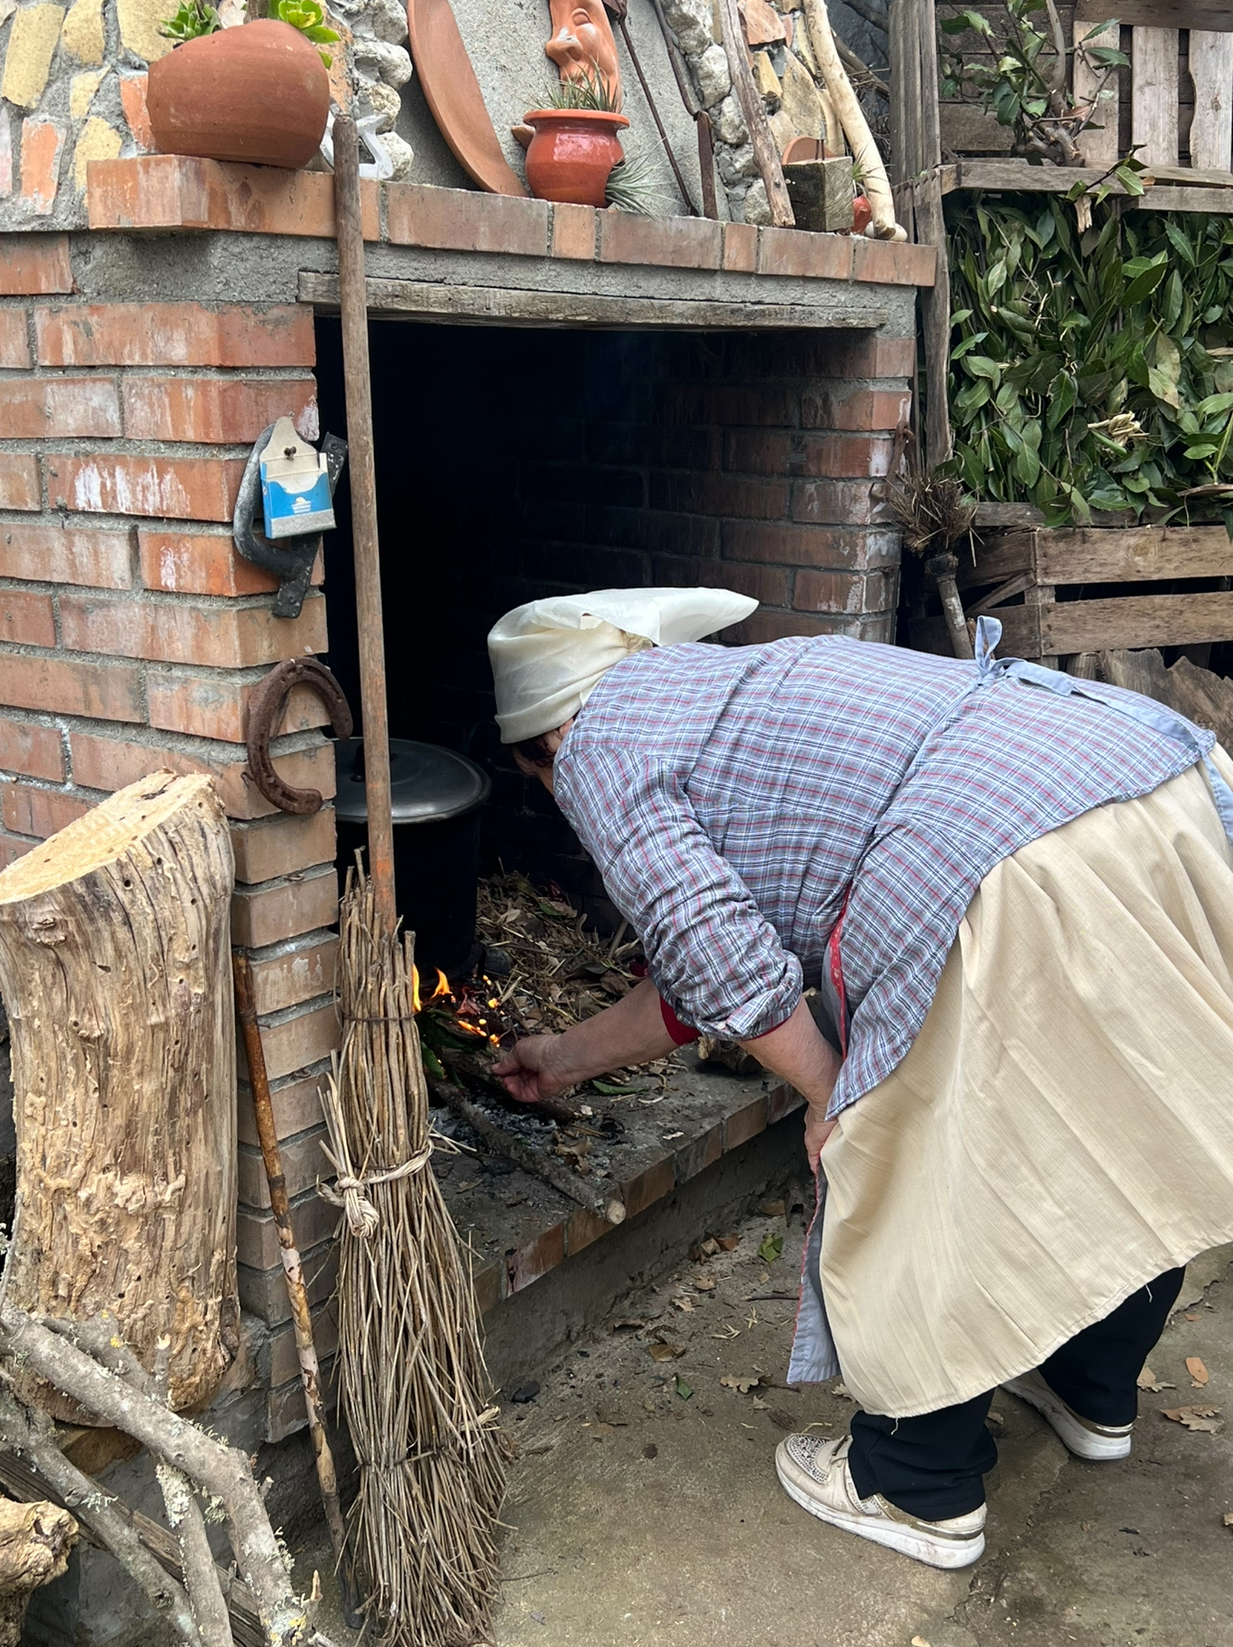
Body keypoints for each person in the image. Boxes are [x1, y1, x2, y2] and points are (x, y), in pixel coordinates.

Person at [486, 585, 1233, 1571]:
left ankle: (916, 1482)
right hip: (1149, 786)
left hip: (1002, 859)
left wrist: (834, 1090)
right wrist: (564, 1055)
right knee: (1120, 1105)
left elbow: (718, 950)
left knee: (913, 1159)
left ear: (540, 744)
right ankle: (1086, 1381)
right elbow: (701, 959)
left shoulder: (597, 742)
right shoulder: (723, 689)